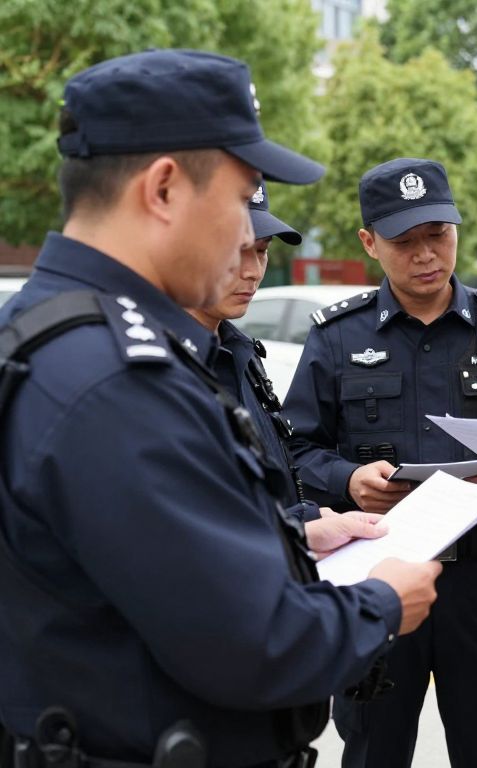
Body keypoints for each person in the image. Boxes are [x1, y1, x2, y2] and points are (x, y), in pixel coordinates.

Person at [0, 49, 441, 768]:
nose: (248, 236)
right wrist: (384, 603)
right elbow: (256, 645)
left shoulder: (47, 330)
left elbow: (137, 557)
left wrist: (294, 534)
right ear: (165, 189)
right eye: (243, 198)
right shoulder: (116, 381)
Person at [283, 157, 477, 768]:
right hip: (377, 573)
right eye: (405, 241)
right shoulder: (337, 337)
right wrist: (348, 480)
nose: (426, 254)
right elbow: (294, 451)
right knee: (373, 747)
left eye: (438, 234)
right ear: (369, 243)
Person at [188, 183, 386, 554]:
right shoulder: (163, 365)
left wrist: (307, 520)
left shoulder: (241, 353)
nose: (252, 271)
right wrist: (301, 528)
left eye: (261, 251)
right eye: (237, 250)